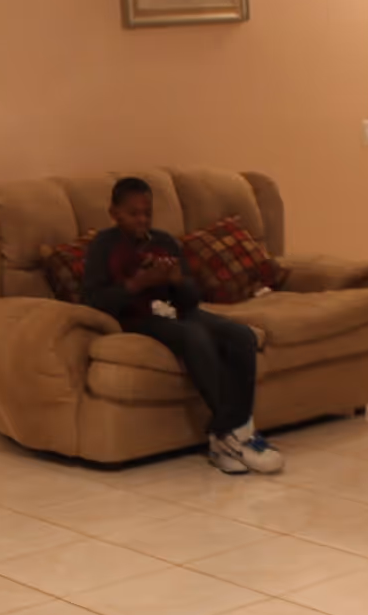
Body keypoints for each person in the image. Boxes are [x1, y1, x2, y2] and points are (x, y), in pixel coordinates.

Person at [82, 177, 284, 475]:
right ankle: (235, 435)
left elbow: (191, 299)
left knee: (241, 335)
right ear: (114, 213)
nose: (142, 220)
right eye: (133, 213)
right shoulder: (103, 246)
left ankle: (227, 435)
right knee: (194, 336)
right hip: (136, 318)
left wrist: (177, 281)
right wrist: (137, 284)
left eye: (147, 213)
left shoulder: (164, 241)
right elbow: (93, 300)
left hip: (177, 311)